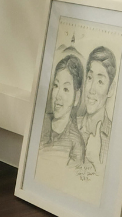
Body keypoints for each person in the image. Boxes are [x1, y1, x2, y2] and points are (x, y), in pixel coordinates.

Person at [39, 51, 87, 169]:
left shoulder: (76, 142)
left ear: (76, 97)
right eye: (56, 86)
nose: (57, 95)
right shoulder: (41, 121)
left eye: (65, 89)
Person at [77, 45, 116, 174]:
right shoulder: (71, 126)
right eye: (89, 78)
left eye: (100, 81)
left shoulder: (114, 137)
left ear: (110, 89)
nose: (91, 89)